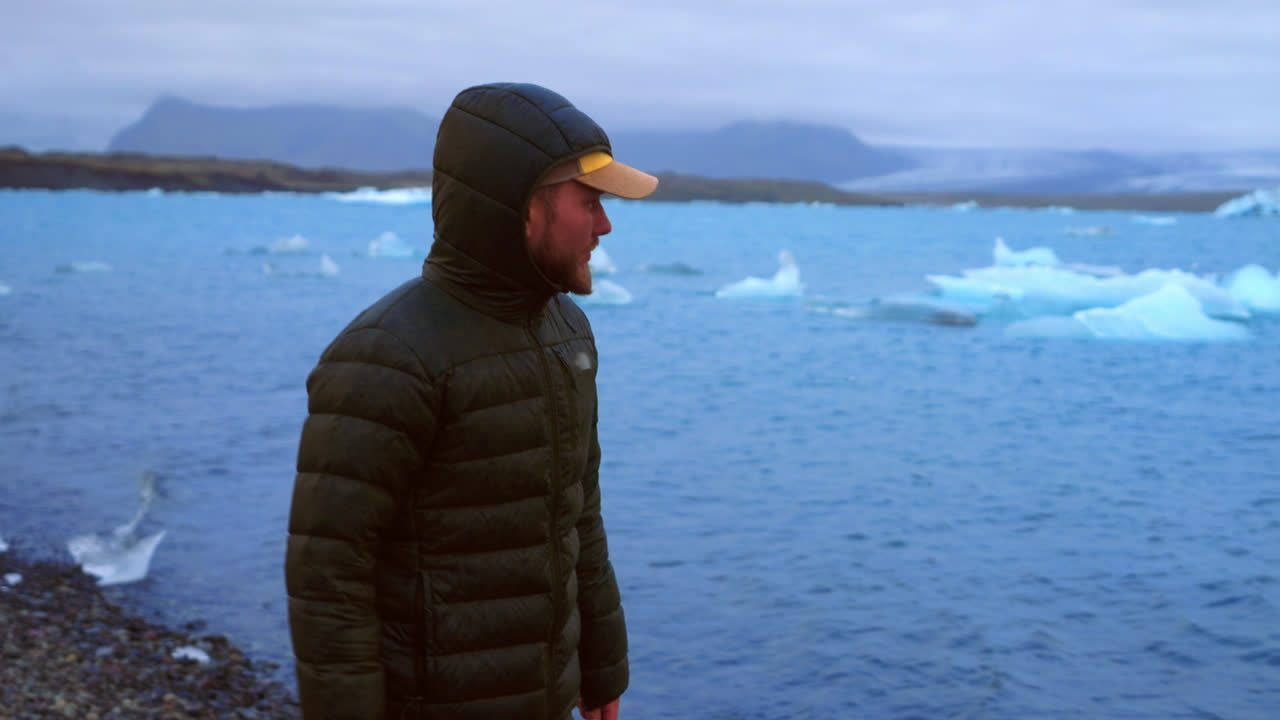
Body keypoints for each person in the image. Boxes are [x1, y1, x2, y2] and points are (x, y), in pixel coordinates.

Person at [285, 82, 657, 720]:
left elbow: (580, 515)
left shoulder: (566, 332)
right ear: (523, 208)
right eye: (590, 201)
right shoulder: (386, 357)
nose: (604, 225)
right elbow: (329, 578)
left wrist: (601, 667)